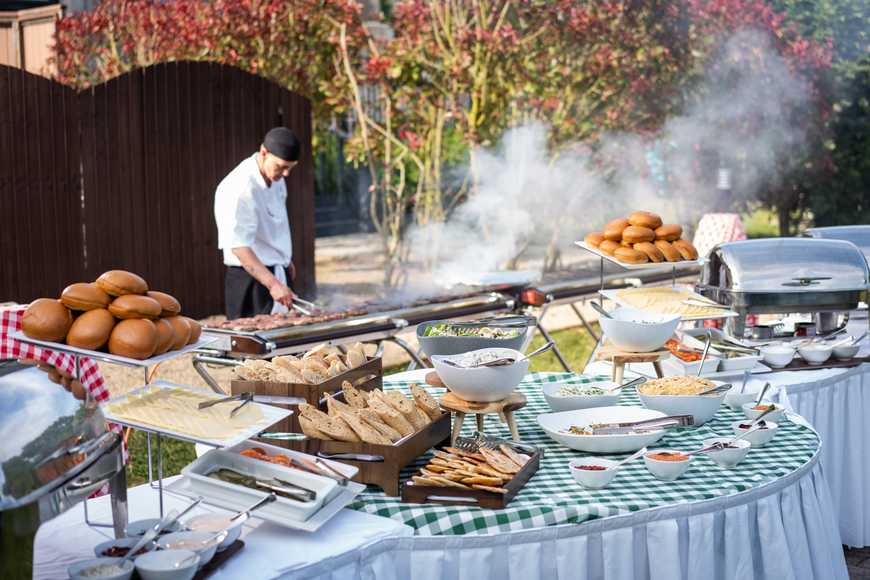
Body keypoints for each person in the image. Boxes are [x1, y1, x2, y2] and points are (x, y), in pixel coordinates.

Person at [214, 127, 300, 319]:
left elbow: (274, 222)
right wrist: (274, 284)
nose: (285, 174)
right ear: (264, 153)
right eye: (280, 166)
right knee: (251, 345)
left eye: (290, 168)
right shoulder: (238, 187)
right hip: (250, 280)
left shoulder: (276, 177)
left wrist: (284, 258)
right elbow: (239, 247)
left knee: (288, 340)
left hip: (277, 273)